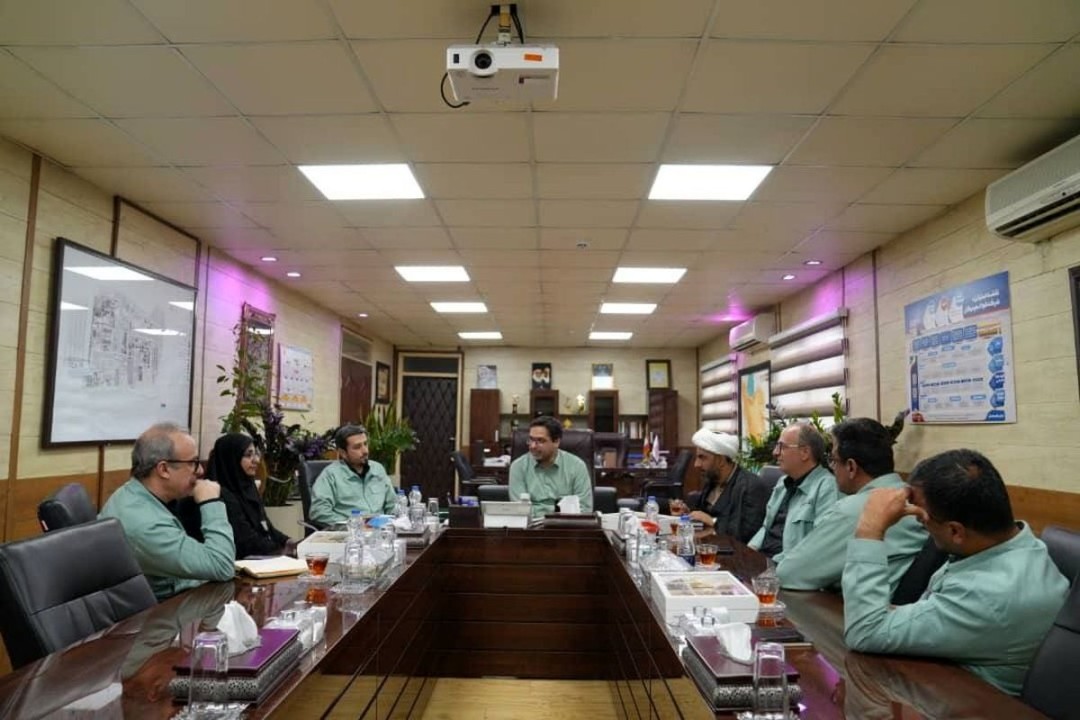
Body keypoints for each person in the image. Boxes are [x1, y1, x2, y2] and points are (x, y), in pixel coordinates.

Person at [843, 449, 1069, 696]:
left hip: (970, 703)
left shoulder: (989, 593)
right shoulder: (1011, 544)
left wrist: (870, 528)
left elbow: (864, 631)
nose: (922, 526)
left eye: (924, 522)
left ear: (955, 532)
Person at [776, 418, 926, 591]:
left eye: (833, 459)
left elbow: (789, 574)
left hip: (854, 605)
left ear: (851, 467)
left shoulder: (854, 510)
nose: (832, 468)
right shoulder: (914, 498)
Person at [99, 422, 235, 600]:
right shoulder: (146, 524)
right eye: (193, 463)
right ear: (163, 469)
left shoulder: (135, 494)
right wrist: (211, 502)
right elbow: (222, 566)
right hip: (161, 612)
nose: (201, 470)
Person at [747, 422, 839, 561]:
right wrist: (747, 554)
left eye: (782, 447)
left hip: (787, 568)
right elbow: (766, 528)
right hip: (761, 563)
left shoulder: (827, 488)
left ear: (805, 452)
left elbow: (820, 546)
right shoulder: (782, 483)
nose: (775, 452)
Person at [669, 428, 771, 543]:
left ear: (720, 460)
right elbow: (703, 514)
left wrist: (712, 521)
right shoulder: (712, 480)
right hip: (709, 545)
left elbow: (745, 535)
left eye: (702, 457)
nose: (696, 464)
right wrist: (688, 514)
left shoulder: (751, 487)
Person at [207, 433, 296, 559]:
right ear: (231, 459)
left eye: (255, 454)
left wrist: (288, 542)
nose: (256, 460)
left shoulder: (248, 486)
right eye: (248, 455)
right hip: (239, 563)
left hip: (261, 557)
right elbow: (245, 540)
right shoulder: (219, 494)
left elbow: (266, 526)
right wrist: (280, 551)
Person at [309, 424, 397, 525]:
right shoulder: (330, 475)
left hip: (382, 530)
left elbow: (392, 505)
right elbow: (319, 511)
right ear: (343, 453)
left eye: (365, 444)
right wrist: (353, 524)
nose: (365, 451)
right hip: (351, 531)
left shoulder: (378, 469)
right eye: (357, 447)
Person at [509, 416, 592, 519]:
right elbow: (521, 510)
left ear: (556, 442)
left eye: (540, 441)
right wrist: (551, 516)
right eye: (531, 440)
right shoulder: (518, 467)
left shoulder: (577, 466)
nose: (533, 446)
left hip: (568, 525)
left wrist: (554, 519)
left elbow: (584, 509)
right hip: (531, 527)